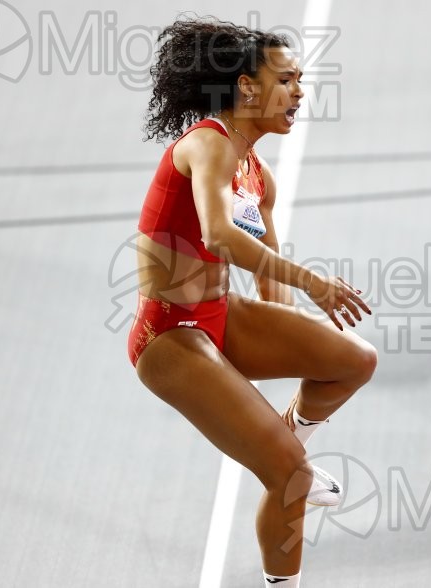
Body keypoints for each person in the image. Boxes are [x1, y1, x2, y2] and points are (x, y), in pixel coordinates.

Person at [128, 17, 377, 586]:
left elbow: (269, 279)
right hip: (168, 339)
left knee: (352, 359)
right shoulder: (207, 145)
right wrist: (315, 283)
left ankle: (289, 444)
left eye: (302, 79)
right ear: (246, 88)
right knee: (290, 477)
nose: (299, 92)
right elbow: (218, 234)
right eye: (286, 80)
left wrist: (297, 321)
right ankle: (289, 481)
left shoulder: (257, 173)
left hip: (220, 316)